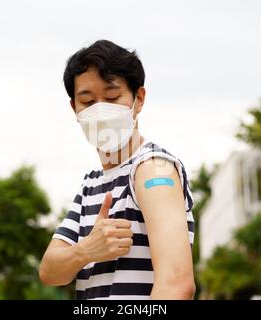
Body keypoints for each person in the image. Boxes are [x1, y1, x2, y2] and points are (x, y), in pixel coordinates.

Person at [39, 40, 195, 300]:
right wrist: (87, 250)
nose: (100, 111)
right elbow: (49, 272)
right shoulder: (91, 184)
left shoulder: (153, 169)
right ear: (74, 108)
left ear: (139, 99)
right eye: (87, 101)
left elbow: (176, 284)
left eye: (112, 98)